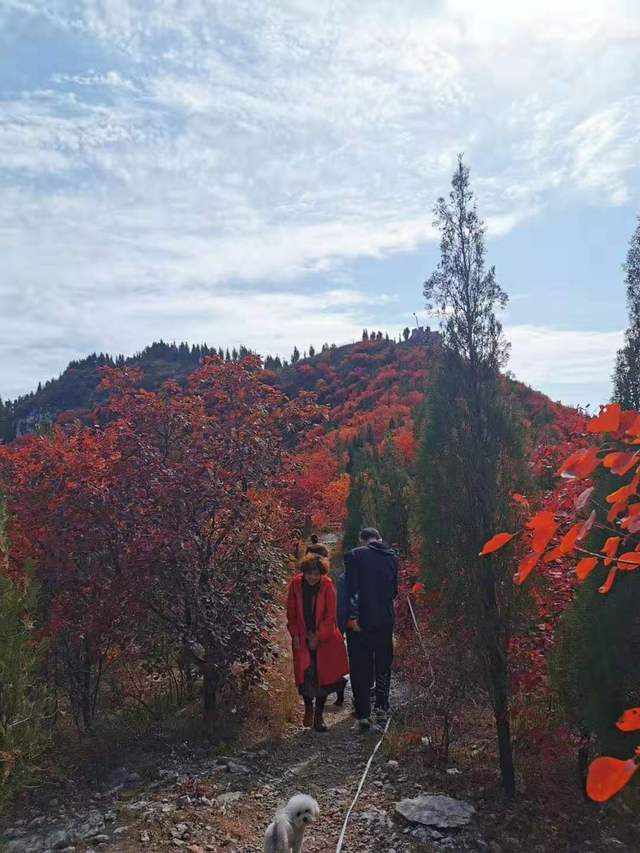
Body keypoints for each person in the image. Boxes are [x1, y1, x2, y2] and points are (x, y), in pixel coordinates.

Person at [287, 553, 349, 732]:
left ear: (322, 573)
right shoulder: (296, 585)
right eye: (309, 573)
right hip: (302, 635)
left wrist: (319, 636)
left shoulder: (327, 585)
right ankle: (308, 708)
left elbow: (331, 615)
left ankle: (319, 716)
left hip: (325, 638)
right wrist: (296, 635)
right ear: (304, 572)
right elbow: (291, 613)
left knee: (324, 678)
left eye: (316, 574)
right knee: (305, 675)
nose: (313, 577)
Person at [344, 527, 398, 731]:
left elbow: (352, 589)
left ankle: (363, 713)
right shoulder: (392, 558)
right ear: (379, 539)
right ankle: (382, 707)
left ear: (362, 540)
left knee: (360, 667)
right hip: (385, 620)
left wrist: (352, 617)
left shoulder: (355, 556)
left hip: (361, 622)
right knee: (383, 662)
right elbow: (394, 592)